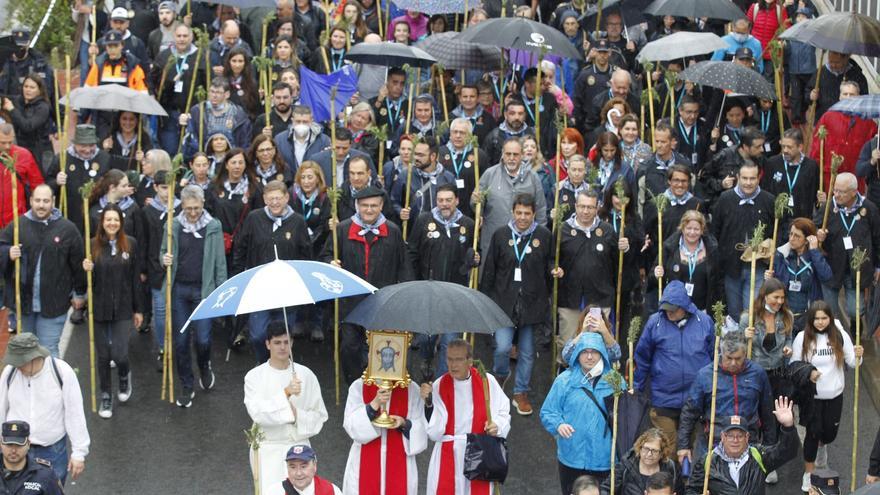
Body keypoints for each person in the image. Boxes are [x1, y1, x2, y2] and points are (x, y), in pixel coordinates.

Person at [321, 186, 411, 384]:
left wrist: (403, 294)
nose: (369, 210)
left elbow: (404, 266)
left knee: (381, 347)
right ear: (357, 206)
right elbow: (327, 254)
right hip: (351, 301)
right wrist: (331, 263)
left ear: (381, 206)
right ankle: (355, 384)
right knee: (350, 347)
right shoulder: (343, 229)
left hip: (382, 300)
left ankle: (380, 387)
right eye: (364, 206)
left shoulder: (393, 231)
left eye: (374, 206)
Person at [482, 193, 554, 415]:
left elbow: (549, 265)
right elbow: (490, 269)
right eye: (519, 213)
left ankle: (521, 391)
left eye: (527, 213)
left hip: (532, 304)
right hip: (504, 303)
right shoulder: (501, 235)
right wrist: (485, 300)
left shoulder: (543, 235)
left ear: (534, 214)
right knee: (502, 347)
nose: (523, 217)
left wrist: (554, 271)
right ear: (512, 212)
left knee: (527, 352)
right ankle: (500, 378)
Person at [160, 185, 227, 406]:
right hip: (179, 289)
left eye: (196, 208)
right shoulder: (173, 225)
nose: (192, 212)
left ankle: (205, 365)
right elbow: (163, 253)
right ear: (182, 205)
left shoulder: (213, 226)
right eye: (188, 208)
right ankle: (187, 385)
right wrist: (165, 259)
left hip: (204, 291)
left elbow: (219, 261)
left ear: (203, 204)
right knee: (180, 342)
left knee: (203, 339)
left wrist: (221, 292)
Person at [0, 185, 85, 357]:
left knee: (48, 351)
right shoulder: (18, 225)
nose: (41, 205)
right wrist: (8, 252)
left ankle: (51, 384)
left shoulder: (67, 229)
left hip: (54, 303)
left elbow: (77, 264)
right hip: (23, 304)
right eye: (37, 200)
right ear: (31, 201)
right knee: (26, 352)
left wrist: (79, 293)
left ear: (53, 202)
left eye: (46, 201)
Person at [244, 323, 329, 495]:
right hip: (268, 451)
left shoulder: (306, 375)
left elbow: (319, 416)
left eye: (286, 341)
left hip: (299, 450)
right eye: (277, 342)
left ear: (292, 342)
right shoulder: (254, 377)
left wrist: (297, 415)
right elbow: (258, 413)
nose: (282, 347)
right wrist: (286, 393)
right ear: (267, 344)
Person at [234, 180, 311, 362]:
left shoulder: (298, 221)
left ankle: (282, 369)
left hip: (288, 291)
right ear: (264, 199)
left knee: (283, 339)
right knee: (258, 335)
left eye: (278, 198)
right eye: (271, 199)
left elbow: (306, 254)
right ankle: (264, 365)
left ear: (286, 198)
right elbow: (241, 248)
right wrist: (238, 277)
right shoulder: (254, 218)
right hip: (259, 289)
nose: (275, 202)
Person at [790, 301, 863, 491]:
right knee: (812, 435)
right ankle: (809, 473)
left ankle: (821, 451)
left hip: (835, 395)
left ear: (830, 318)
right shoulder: (802, 337)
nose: (820, 322)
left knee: (828, 435)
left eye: (824, 318)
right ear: (811, 319)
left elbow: (853, 363)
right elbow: (794, 366)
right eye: (816, 318)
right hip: (811, 397)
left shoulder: (839, 335)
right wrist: (809, 372)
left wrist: (858, 354)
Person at [407, 184, 477, 379]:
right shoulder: (423, 220)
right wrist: (413, 282)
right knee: (426, 338)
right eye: (440, 200)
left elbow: (473, 254)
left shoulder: (468, 224)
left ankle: (440, 381)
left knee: (450, 341)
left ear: (456, 201)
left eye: (448, 200)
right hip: (428, 290)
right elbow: (412, 252)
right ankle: (427, 359)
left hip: (455, 292)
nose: (444, 204)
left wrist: (474, 260)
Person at [0, 333, 89, 485]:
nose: (18, 367)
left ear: (34, 358)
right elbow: (1, 408)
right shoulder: (10, 372)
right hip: (17, 448)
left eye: (21, 363)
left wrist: (79, 453)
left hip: (52, 451)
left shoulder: (62, 372)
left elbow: (75, 414)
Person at [634, 281, 715, 447]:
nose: (668, 313)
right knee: (667, 451)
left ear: (684, 306)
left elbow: (715, 357)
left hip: (697, 399)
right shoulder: (654, 322)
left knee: (693, 452)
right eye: (665, 308)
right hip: (664, 398)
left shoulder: (705, 322)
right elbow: (642, 358)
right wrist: (637, 389)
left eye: (673, 309)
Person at [425, 339, 510, 494]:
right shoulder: (439, 385)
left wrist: (497, 425)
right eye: (450, 359)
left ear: (470, 361)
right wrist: (428, 404)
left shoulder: (486, 381)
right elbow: (434, 431)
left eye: (458, 359)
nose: (453, 364)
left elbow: (504, 411)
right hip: (448, 453)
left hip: (479, 453)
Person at [677, 331, 775, 466]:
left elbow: (767, 411)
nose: (733, 363)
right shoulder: (705, 375)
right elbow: (690, 412)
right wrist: (683, 445)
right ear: (721, 353)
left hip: (748, 441)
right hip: (713, 441)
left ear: (745, 354)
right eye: (729, 358)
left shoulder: (757, 373)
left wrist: (769, 446)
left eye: (738, 358)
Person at [83, 204, 144, 419]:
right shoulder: (91, 246)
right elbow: (84, 283)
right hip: (99, 308)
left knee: (119, 352)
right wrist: (86, 271)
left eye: (115, 220)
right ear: (102, 222)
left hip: (124, 308)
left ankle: (124, 374)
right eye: (108, 219)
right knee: (102, 355)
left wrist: (139, 309)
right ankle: (106, 395)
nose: (112, 223)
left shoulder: (131, 245)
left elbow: (135, 279)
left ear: (121, 222)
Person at [541, 331, 621, 494]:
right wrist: (559, 424)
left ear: (602, 354)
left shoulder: (615, 381)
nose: (589, 356)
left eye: (594, 352)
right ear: (577, 353)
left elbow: (626, 417)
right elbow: (548, 412)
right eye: (585, 351)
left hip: (605, 459)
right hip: (572, 458)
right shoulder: (564, 380)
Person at [552, 190, 618, 362]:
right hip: (570, 300)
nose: (586, 211)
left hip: (598, 299)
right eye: (582, 206)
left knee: (595, 345)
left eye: (590, 207)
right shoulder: (563, 230)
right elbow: (550, 259)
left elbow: (616, 264)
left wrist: (626, 249)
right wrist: (554, 269)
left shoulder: (607, 231)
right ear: (575, 206)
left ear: (597, 208)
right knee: (569, 345)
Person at [685, 397, 799, 495]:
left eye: (740, 436)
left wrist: (788, 426)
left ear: (747, 437)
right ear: (723, 437)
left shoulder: (759, 455)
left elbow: (788, 451)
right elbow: (692, 489)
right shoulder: (707, 461)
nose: (735, 440)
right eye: (730, 436)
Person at [342, 369, 428, 494]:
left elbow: (422, 429)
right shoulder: (359, 386)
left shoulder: (412, 389)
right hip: (364, 461)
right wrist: (374, 404)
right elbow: (351, 427)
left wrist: (404, 423)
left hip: (399, 461)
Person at [816, 172, 880, 331]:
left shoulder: (869, 208)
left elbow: (878, 238)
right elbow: (813, 227)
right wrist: (818, 235)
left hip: (856, 268)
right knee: (830, 310)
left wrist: (878, 265)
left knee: (854, 309)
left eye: (841, 192)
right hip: (831, 266)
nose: (836, 194)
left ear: (853, 192)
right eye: (835, 190)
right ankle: (833, 338)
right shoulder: (828, 207)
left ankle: (855, 321)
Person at [711, 160, 775, 320]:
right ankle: (738, 343)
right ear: (738, 177)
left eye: (752, 178)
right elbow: (715, 230)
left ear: (758, 178)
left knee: (751, 311)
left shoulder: (768, 200)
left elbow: (776, 231)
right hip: (731, 266)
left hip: (758, 265)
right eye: (744, 178)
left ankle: (750, 343)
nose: (748, 183)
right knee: (734, 311)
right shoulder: (725, 199)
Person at [472, 138, 547, 257]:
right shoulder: (490, 174)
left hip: (524, 241)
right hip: (493, 238)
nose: (511, 158)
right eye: (508, 154)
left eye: (515, 154)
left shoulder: (532, 177)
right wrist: (475, 201)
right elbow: (476, 206)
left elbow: (541, 209)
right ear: (503, 154)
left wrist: (539, 237)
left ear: (522, 155)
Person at [810, 81, 878, 193]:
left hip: (855, 179)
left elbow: (874, 147)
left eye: (852, 94)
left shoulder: (868, 122)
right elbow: (816, 148)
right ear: (839, 96)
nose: (848, 97)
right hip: (830, 177)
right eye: (845, 94)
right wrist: (815, 172)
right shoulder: (827, 117)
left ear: (859, 97)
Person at [289, 161, 331, 341]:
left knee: (318, 287)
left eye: (310, 177)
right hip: (297, 249)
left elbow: (325, 224)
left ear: (318, 179)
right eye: (303, 177)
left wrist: (312, 240)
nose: (306, 181)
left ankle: (317, 323)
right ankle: (299, 320)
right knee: (297, 286)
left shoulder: (325, 198)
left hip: (318, 247)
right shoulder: (292, 197)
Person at [45, 124, 112, 234]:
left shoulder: (104, 158)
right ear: (74, 143)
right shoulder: (61, 158)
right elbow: (47, 186)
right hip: (70, 215)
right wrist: (56, 182)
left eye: (91, 145)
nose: (87, 150)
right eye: (83, 145)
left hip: (96, 217)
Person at [151, 24, 204, 154]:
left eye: (185, 36)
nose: (182, 39)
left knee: (191, 152)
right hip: (169, 114)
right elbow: (153, 83)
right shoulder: (164, 56)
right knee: (171, 151)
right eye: (179, 36)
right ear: (174, 37)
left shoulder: (201, 57)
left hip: (193, 113)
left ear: (191, 37)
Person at [766, 218, 832, 320]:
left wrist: (814, 251)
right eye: (791, 234)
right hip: (785, 314)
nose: (791, 239)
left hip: (808, 315)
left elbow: (826, 276)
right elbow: (776, 286)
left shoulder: (814, 257)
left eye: (797, 236)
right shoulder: (782, 255)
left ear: (807, 240)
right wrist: (770, 279)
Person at [760, 128, 820, 235]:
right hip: (776, 223)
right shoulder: (772, 163)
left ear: (800, 147)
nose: (785, 150)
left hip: (801, 222)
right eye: (783, 146)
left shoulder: (811, 166)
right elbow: (764, 191)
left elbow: (816, 195)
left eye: (789, 147)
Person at [180, 77, 252, 162]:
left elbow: (245, 142)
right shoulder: (198, 111)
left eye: (218, 92)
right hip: (205, 161)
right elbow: (191, 140)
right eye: (212, 92)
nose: (214, 96)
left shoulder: (238, 114)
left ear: (227, 94)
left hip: (232, 160)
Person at [600, 428, 684, 495]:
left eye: (654, 451)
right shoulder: (626, 465)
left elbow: (680, 491)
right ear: (639, 448)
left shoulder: (670, 467)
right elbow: (606, 489)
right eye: (646, 449)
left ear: (662, 453)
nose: (649, 454)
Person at [438, 118, 487, 219]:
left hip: (469, 211)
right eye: (455, 132)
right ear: (450, 134)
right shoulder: (440, 153)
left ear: (469, 135)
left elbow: (485, 183)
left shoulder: (479, 155)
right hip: (444, 208)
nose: (458, 136)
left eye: (462, 133)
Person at [4, 75, 54, 170]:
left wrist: (12, 110)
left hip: (39, 151)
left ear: (39, 90)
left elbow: (28, 126)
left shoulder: (43, 107)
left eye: (32, 87)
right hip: (21, 148)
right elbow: (4, 97)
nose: (28, 90)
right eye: (26, 86)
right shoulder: (19, 100)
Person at [0, 420, 64, 494]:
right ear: (1, 444)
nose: (13, 450)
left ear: (28, 444)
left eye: (19, 445)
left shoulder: (45, 475)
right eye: (9, 445)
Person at [274, 105, 331, 173]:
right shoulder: (280, 140)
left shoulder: (324, 141)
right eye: (298, 121)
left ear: (311, 121)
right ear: (292, 121)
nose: (301, 124)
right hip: (288, 181)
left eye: (305, 122)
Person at [483, 99, 535, 166]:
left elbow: (539, 160)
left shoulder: (532, 134)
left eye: (520, 114)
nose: (517, 117)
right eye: (512, 113)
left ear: (524, 115)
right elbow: (486, 164)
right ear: (505, 114)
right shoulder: (494, 136)